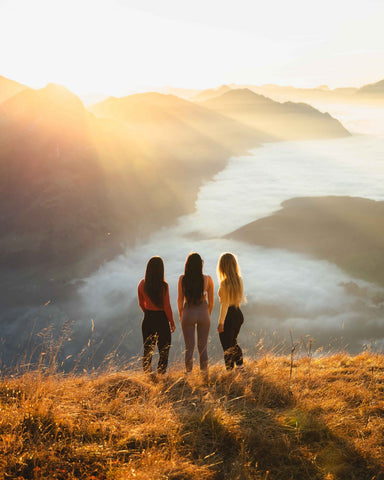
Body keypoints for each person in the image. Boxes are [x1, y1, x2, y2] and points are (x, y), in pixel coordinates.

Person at [138, 256, 175, 374]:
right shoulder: (164, 286)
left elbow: (141, 303)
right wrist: (172, 322)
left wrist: (147, 313)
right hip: (161, 319)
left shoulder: (142, 284)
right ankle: (161, 375)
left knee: (148, 350)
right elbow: (167, 306)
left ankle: (148, 375)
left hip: (148, 319)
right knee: (164, 349)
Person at [178, 253, 214, 372]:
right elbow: (211, 302)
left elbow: (180, 299)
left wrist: (181, 315)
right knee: (203, 347)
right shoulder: (208, 279)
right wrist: (207, 313)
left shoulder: (182, 279)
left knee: (189, 347)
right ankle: (204, 374)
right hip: (203, 312)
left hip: (188, 312)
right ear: (201, 265)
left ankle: (189, 374)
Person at [217, 252, 244, 370]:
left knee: (227, 345)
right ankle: (240, 366)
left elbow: (225, 305)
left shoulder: (224, 283)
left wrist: (221, 322)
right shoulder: (239, 280)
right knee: (233, 342)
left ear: (222, 266)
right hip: (238, 314)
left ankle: (230, 370)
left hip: (229, 315)